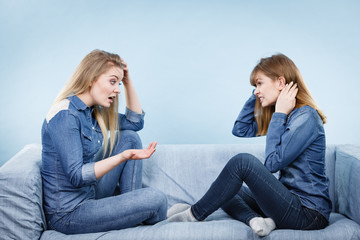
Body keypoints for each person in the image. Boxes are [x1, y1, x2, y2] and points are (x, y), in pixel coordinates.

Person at [167, 54, 331, 237]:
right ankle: (256, 220)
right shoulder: (286, 117)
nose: (256, 91)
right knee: (226, 189)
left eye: (259, 83)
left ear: (280, 82)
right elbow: (240, 129)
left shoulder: (305, 117)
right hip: (289, 202)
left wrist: (278, 114)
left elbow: (272, 164)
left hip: (309, 214)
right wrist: (259, 97)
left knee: (242, 162)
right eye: (254, 86)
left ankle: (194, 213)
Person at [41, 49, 167, 234]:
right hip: (69, 214)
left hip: (91, 194)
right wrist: (123, 157)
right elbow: (77, 176)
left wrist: (127, 81)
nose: (117, 89)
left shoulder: (93, 112)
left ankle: (131, 209)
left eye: (118, 83)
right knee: (156, 198)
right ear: (92, 78)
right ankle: (136, 211)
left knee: (129, 137)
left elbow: (135, 122)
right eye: (112, 81)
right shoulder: (65, 115)